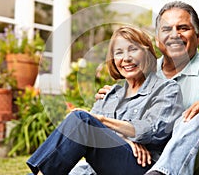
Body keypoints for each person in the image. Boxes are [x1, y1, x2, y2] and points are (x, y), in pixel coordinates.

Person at [96, 1, 199, 175]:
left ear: (198, 36)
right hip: (147, 160)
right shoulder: (141, 71)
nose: (174, 35)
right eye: (166, 29)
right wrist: (115, 100)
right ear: (157, 39)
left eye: (183, 28)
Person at [26, 26, 184, 175]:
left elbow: (152, 130)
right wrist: (124, 139)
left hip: (143, 167)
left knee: (81, 119)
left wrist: (102, 120)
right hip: (100, 169)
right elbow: (81, 136)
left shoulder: (166, 89)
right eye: (119, 52)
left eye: (133, 49)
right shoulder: (110, 95)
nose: (126, 58)